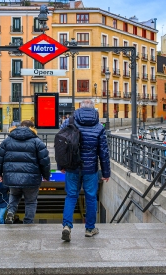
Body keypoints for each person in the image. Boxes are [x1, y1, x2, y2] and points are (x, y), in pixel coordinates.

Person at [59, 99, 110, 241]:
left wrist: (61, 166)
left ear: (79, 108)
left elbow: (61, 145)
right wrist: (106, 173)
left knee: (71, 196)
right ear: (93, 109)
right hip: (90, 169)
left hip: (72, 167)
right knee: (91, 198)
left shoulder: (68, 122)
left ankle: (67, 226)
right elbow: (103, 152)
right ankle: (90, 228)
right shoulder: (99, 126)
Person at [0, 119, 50, 224]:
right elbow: (44, 161)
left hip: (12, 176)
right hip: (31, 178)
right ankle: (28, 222)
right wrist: (46, 175)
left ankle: (11, 212)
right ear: (33, 128)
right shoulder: (37, 142)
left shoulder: (7, 140)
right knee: (30, 201)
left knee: (14, 196)